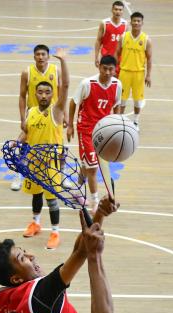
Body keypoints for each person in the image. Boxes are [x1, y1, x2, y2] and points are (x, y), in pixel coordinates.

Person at [17, 51, 69, 250]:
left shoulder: (56, 111)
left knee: (51, 199)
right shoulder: (31, 111)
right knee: (36, 195)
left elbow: (65, 85)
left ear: (52, 94)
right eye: (40, 92)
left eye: (48, 92)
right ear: (36, 94)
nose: (44, 95)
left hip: (51, 163)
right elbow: (26, 133)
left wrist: (63, 61)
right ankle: (36, 223)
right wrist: (16, 142)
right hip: (34, 161)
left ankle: (55, 232)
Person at [67, 55, 122, 211]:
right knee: (93, 167)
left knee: (88, 163)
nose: (107, 72)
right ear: (99, 67)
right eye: (105, 68)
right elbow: (73, 102)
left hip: (104, 131)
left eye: (111, 69)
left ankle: (77, 190)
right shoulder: (87, 83)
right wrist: (70, 125)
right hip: (86, 129)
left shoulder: (117, 85)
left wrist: (117, 124)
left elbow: (117, 105)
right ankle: (95, 202)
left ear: (115, 69)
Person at [11, 44, 61, 192]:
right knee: (25, 145)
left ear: (48, 56)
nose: (40, 57)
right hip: (33, 114)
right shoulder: (27, 72)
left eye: (43, 54)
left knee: (58, 145)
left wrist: (63, 114)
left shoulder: (56, 70)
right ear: (34, 57)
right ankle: (19, 175)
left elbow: (62, 94)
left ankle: (61, 175)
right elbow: (22, 96)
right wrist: (22, 118)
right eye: (38, 54)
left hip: (52, 116)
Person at [116, 11, 152, 126]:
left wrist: (148, 75)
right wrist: (114, 70)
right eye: (134, 21)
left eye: (138, 21)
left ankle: (135, 122)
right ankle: (120, 121)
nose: (136, 23)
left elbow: (149, 58)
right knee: (122, 99)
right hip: (124, 72)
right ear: (130, 22)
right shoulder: (123, 37)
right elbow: (117, 53)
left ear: (142, 23)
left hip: (139, 73)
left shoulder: (146, 39)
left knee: (137, 100)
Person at [94, 1, 127, 70]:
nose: (118, 12)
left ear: (123, 11)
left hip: (119, 59)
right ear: (112, 10)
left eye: (120, 10)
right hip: (106, 58)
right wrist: (96, 57)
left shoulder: (125, 24)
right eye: (116, 9)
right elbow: (98, 41)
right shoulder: (104, 23)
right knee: (105, 76)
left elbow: (126, 43)